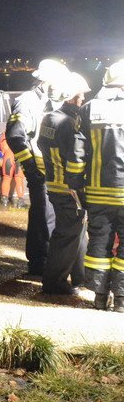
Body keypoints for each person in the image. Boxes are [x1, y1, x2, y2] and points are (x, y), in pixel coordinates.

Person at [6, 58, 69, 275]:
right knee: (43, 216)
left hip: (55, 171)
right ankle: (40, 262)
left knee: (49, 215)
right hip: (40, 171)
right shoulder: (27, 101)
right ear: (46, 81)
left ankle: (45, 260)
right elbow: (15, 135)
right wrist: (31, 167)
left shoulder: (54, 102)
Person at [36, 72, 90, 295]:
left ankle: (80, 277)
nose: (82, 100)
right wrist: (79, 189)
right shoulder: (70, 123)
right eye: (80, 96)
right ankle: (55, 283)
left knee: (75, 232)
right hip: (69, 189)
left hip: (54, 184)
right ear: (70, 96)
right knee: (67, 235)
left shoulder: (49, 118)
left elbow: (41, 147)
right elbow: (76, 158)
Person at [79, 59, 124, 312]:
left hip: (97, 190)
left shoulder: (89, 108)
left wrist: (76, 181)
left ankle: (98, 297)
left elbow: (78, 150)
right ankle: (121, 301)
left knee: (99, 243)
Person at [0, 124, 26, 206]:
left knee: (6, 178)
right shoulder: (22, 134)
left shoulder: (3, 135)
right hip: (19, 155)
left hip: (8, 156)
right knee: (19, 178)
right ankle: (20, 201)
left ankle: (4, 199)